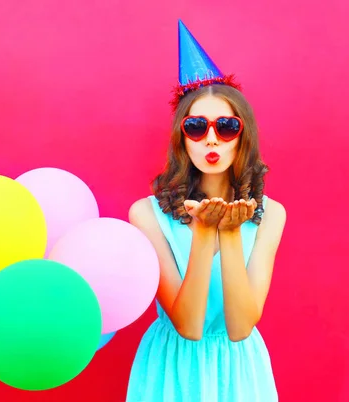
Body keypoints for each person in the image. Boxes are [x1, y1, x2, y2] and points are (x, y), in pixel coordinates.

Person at [126, 20, 287, 402]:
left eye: (226, 126)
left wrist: (230, 234)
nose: (211, 137)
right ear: (182, 138)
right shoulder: (146, 215)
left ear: (242, 136)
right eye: (196, 126)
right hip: (171, 370)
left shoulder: (271, 215)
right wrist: (203, 233)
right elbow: (189, 325)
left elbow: (241, 326)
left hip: (239, 373)